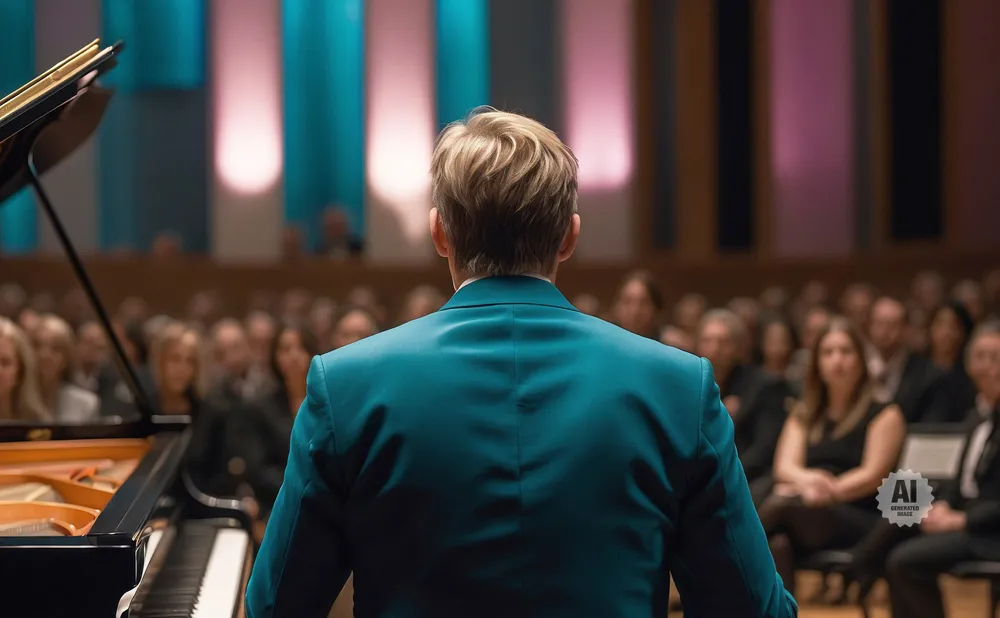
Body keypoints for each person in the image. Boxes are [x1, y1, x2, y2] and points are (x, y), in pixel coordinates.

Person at [246, 109, 796, 618]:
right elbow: (751, 608)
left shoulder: (343, 385)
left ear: (439, 233)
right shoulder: (680, 387)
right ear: (569, 236)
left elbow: (275, 607)